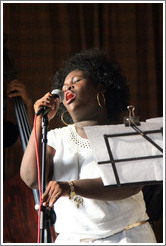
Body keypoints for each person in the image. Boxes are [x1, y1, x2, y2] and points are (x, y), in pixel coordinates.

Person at [20, 49, 157, 243]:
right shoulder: (55, 138)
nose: (68, 87)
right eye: (65, 85)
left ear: (100, 86)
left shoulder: (124, 133)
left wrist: (71, 187)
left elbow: (128, 186)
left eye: (76, 81)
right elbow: (31, 178)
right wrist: (39, 122)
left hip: (125, 237)